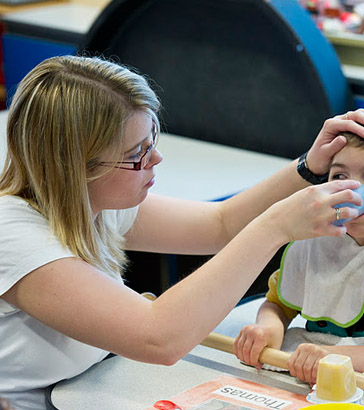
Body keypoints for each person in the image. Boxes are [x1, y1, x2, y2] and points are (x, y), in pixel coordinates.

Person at [0, 55, 363, 410]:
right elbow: (159, 338)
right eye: (137, 153)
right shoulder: (16, 238)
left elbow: (219, 224)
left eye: (152, 140)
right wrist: (275, 227)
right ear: (76, 166)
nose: (156, 159)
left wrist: (310, 166)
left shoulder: (93, 204)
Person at [234, 131, 364, 386]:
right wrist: (268, 330)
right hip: (310, 374)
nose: (351, 191)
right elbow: (278, 305)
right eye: (339, 176)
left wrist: (334, 357)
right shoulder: (316, 242)